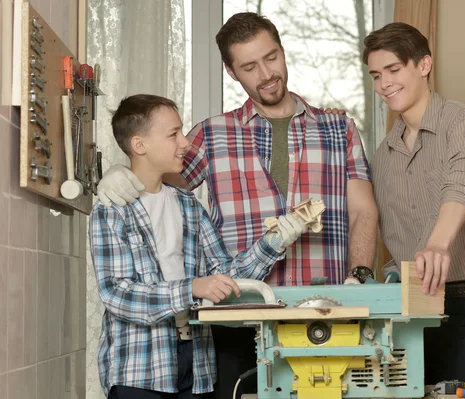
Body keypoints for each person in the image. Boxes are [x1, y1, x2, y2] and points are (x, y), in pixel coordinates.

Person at [96, 12, 379, 399]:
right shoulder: (211, 135)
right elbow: (153, 177)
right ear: (232, 72)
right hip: (238, 324)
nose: (266, 73)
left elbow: (364, 210)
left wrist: (359, 277)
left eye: (271, 57)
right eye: (249, 66)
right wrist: (114, 172)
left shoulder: (337, 128)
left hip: (322, 315)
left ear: (282, 51)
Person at [90, 94, 308, 399]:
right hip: (139, 368)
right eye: (173, 134)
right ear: (140, 145)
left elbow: (224, 273)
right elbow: (117, 293)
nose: (186, 143)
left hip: (197, 364)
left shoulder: (188, 206)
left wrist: (274, 241)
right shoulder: (111, 209)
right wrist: (192, 287)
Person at [362, 23, 465, 388]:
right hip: (409, 310)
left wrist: (437, 244)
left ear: (423, 65)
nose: (384, 84)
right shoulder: (382, 157)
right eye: (376, 75)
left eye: (393, 70)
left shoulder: (460, 120)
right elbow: (393, 235)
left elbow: (464, 180)